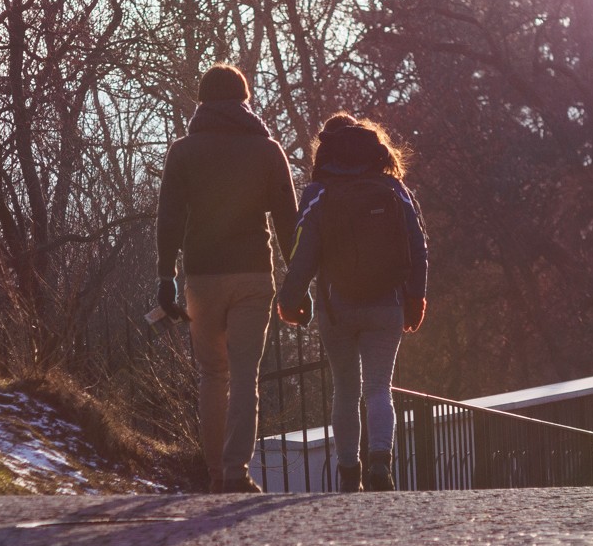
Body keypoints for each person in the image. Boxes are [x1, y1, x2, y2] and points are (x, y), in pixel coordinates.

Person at [155, 63, 308, 494]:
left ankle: (214, 473)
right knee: (245, 374)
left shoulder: (183, 151)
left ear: (202, 101)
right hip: (253, 274)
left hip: (202, 274)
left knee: (212, 375)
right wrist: (298, 280)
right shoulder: (267, 150)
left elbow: (169, 218)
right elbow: (287, 221)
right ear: (244, 99)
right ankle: (236, 471)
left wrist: (165, 274)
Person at [277, 113, 428, 492]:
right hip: (387, 304)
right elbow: (418, 244)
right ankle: (381, 464)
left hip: (336, 307)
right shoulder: (393, 188)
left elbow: (303, 252)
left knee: (345, 387)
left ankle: (349, 473)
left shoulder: (319, 192)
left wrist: (290, 297)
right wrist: (416, 295)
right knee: (379, 387)